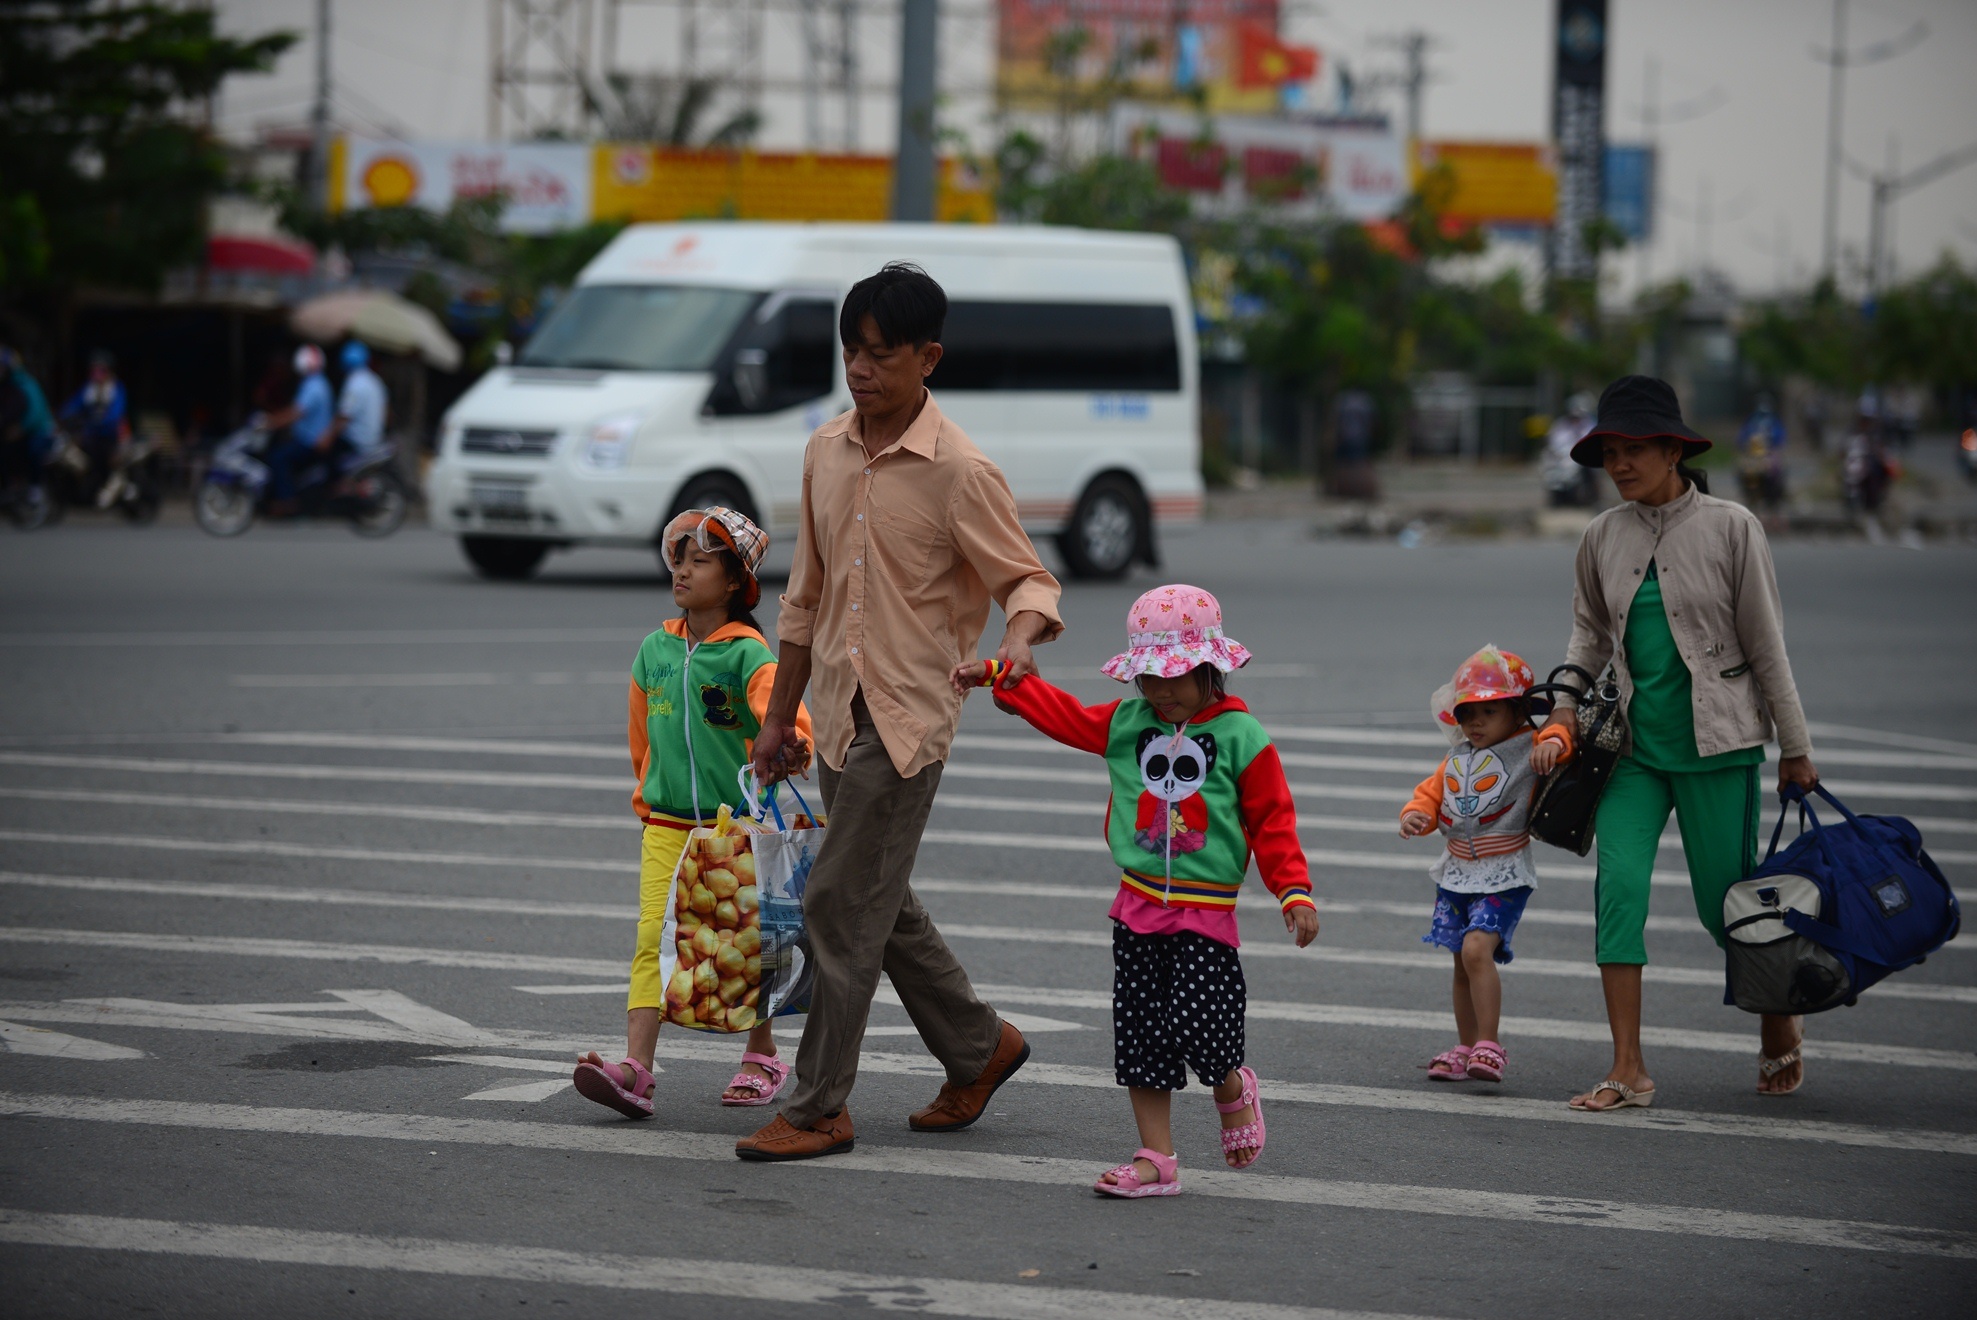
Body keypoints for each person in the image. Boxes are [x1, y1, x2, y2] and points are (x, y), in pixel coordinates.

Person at [738, 262, 1064, 1162]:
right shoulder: (824, 450)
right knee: (879, 900)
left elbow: (1026, 580)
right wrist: (779, 719)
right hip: (835, 712)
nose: (860, 369)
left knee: (840, 899)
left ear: (929, 358)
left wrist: (1021, 638)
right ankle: (979, 1047)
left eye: (881, 354)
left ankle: (818, 1107)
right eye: (851, 350)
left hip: (908, 719)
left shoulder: (959, 470)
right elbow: (803, 599)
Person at [953, 585, 1319, 1198]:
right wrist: (999, 676)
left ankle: (1231, 1087)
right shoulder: (1128, 722)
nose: (1160, 690)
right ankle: (1156, 1159)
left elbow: (1272, 821)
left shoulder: (1242, 737)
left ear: (1210, 669)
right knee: (1143, 1036)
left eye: (1174, 677)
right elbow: (1066, 715)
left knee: (1204, 1030)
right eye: (1148, 677)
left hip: (1205, 913)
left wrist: (1294, 891)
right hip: (1137, 907)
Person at [1544, 375, 1819, 1111]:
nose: (1619, 463)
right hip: (1632, 752)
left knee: (1725, 909)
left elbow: (1766, 645)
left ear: (1673, 451)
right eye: (1610, 451)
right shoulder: (1601, 535)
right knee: (1618, 893)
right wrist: (1562, 711)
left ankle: (1777, 1020)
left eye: (1634, 449)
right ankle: (1626, 1067)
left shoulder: (1732, 527)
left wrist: (1794, 747)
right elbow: (1588, 634)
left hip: (1718, 747)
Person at [574, 507, 814, 1119]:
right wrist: (649, 801)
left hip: (739, 826)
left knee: (748, 940)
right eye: (677, 559)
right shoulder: (654, 650)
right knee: (653, 938)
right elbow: (642, 741)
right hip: (667, 822)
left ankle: (762, 1055)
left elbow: (784, 715)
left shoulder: (749, 655)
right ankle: (637, 1070)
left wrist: (796, 744)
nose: (681, 571)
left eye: (700, 562)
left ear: (734, 581)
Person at [1400, 646, 1574, 1085]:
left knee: (1477, 949)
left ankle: (1489, 1045)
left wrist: (1555, 741)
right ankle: (1465, 1047)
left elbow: (1562, 742)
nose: (1475, 723)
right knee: (1462, 960)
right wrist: (1416, 815)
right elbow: (1430, 795)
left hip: (1504, 871)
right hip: (1456, 872)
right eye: (1467, 713)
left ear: (1517, 712)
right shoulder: (1457, 756)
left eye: (1489, 711)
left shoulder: (1530, 744)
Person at [260, 344, 335, 513]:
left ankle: (287, 499)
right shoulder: (317, 382)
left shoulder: (314, 386)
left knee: (278, 458)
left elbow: (296, 412)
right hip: (308, 438)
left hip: (310, 441)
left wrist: (272, 422)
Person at [58, 349, 128, 484]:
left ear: (109, 371)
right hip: (89, 436)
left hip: (109, 437)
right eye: (93, 371)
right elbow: (71, 406)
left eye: (101, 371)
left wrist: (93, 424)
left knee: (104, 462)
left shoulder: (117, 389)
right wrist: (64, 416)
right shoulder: (88, 389)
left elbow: (115, 415)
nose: (97, 374)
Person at [0, 347, 55, 503]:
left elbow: (36, 415)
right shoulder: (10, 385)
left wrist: (20, 428)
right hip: (26, 431)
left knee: (32, 452)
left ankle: (34, 489)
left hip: (40, 431)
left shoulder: (25, 384)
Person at [330, 340, 388, 456]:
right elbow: (385, 415)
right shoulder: (375, 381)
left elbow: (344, 417)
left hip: (356, 445)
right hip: (374, 443)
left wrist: (327, 438)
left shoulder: (355, 382)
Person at [1542, 392, 1598, 508]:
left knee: (1589, 472)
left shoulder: (1589, 424)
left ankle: (1590, 497)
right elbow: (1554, 442)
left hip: (1582, 458)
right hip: (1562, 458)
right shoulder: (1560, 425)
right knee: (1553, 474)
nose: (1576, 420)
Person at [1737, 394, 1787, 514]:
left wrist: (1773, 446)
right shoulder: (1753, 420)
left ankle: (1773, 500)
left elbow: (1780, 437)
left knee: (1775, 472)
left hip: (1769, 452)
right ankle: (1750, 496)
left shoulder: (1774, 421)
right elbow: (1742, 437)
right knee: (1744, 471)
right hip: (1753, 453)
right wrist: (1745, 445)